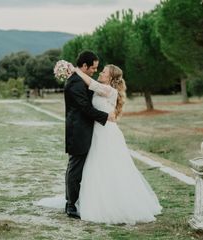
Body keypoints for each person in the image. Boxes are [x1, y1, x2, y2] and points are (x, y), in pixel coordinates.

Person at [74, 64, 162, 224]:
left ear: (111, 78)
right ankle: (99, 200)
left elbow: (90, 83)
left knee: (110, 167)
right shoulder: (101, 88)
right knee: (97, 166)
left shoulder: (109, 90)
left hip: (107, 133)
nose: (100, 73)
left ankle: (114, 204)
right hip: (98, 131)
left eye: (104, 72)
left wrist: (75, 70)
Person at [64, 51, 116, 218]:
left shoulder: (82, 80)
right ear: (84, 66)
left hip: (89, 132)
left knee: (80, 168)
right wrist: (106, 117)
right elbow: (85, 108)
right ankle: (71, 205)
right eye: (93, 68)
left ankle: (73, 201)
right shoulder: (76, 84)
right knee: (75, 170)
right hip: (79, 132)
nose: (95, 71)